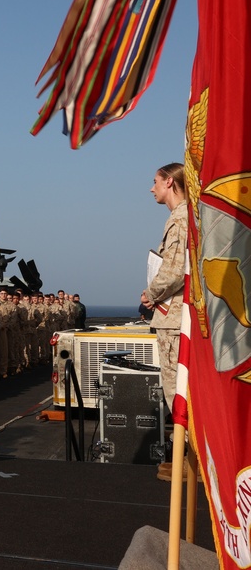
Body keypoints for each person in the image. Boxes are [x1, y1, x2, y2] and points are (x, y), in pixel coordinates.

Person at [139, 162, 187, 482]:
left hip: (174, 318)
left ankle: (188, 462)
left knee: (177, 392)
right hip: (176, 317)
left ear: (169, 182)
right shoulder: (184, 218)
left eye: (155, 182)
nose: (151, 188)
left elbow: (172, 272)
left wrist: (149, 293)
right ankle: (187, 457)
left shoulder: (180, 220)